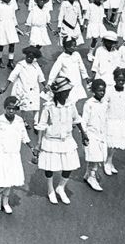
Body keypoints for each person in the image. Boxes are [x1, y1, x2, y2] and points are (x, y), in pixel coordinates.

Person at [35, 77, 88, 205]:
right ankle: (50, 190)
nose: (67, 93)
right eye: (65, 92)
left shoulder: (71, 104)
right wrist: (39, 143)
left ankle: (61, 187)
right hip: (51, 140)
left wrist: (83, 134)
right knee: (50, 167)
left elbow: (77, 119)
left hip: (67, 139)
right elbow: (42, 125)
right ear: (58, 93)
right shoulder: (48, 107)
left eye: (68, 91)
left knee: (69, 166)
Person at [0, 96, 35, 213]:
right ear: (5, 108)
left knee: (10, 181)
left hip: (15, 155)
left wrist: (32, 148)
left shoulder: (19, 121)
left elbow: (25, 137)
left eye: (13, 109)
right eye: (9, 108)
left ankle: (5, 202)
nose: (11, 111)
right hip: (2, 155)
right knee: (2, 181)